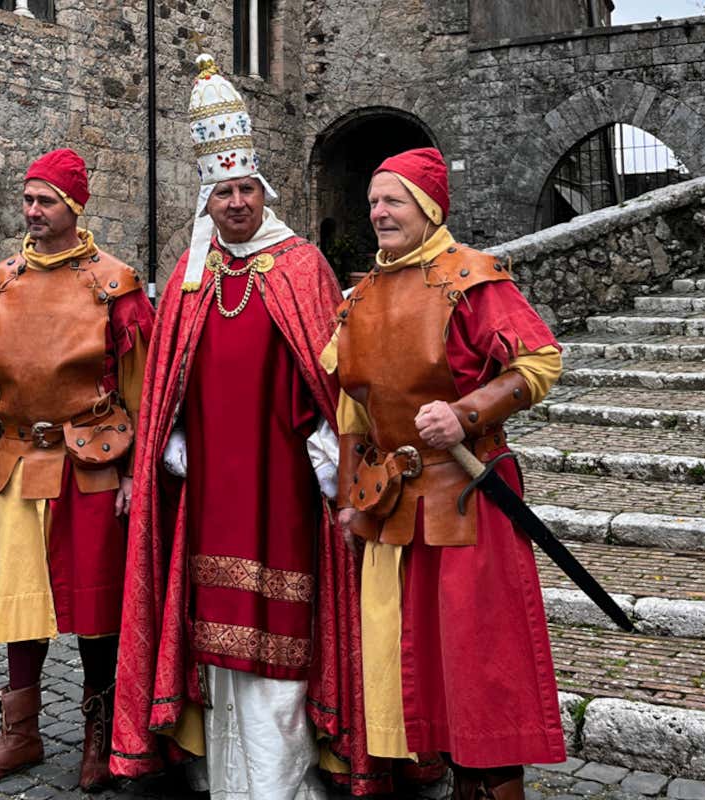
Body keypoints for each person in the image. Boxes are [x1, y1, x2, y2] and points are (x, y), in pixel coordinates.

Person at [110, 55, 388, 799]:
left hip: (287, 486)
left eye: (246, 190)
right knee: (214, 629)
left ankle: (282, 781)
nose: (237, 203)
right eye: (223, 193)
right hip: (210, 489)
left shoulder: (302, 267)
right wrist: (170, 446)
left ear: (264, 191)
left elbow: (332, 381)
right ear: (207, 201)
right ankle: (221, 772)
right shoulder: (191, 276)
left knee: (283, 631)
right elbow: (167, 380)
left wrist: (332, 462)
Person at [322, 147, 568, 800]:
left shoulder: (471, 279)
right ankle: (454, 779)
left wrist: (465, 413)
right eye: (373, 202)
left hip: (465, 501)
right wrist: (349, 498)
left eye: (393, 200)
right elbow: (353, 412)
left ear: (429, 208)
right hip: (390, 504)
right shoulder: (360, 298)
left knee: (477, 660)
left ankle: (492, 788)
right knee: (417, 661)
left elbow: (540, 361)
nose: (379, 212)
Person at [0, 148, 154, 791]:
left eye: (46, 200)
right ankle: (20, 735)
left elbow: (140, 392)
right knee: (20, 605)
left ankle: (99, 734)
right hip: (16, 462)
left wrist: (134, 476)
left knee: (95, 604)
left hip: (92, 463)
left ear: (74, 206)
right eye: (28, 199)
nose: (32, 210)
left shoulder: (114, 284)